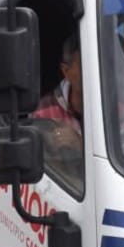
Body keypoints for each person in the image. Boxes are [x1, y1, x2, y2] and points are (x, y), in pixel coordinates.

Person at [32, 35, 84, 188]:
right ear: (66, 71)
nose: (96, 71)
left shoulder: (123, 108)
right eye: (85, 65)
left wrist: (81, 145)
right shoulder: (44, 112)